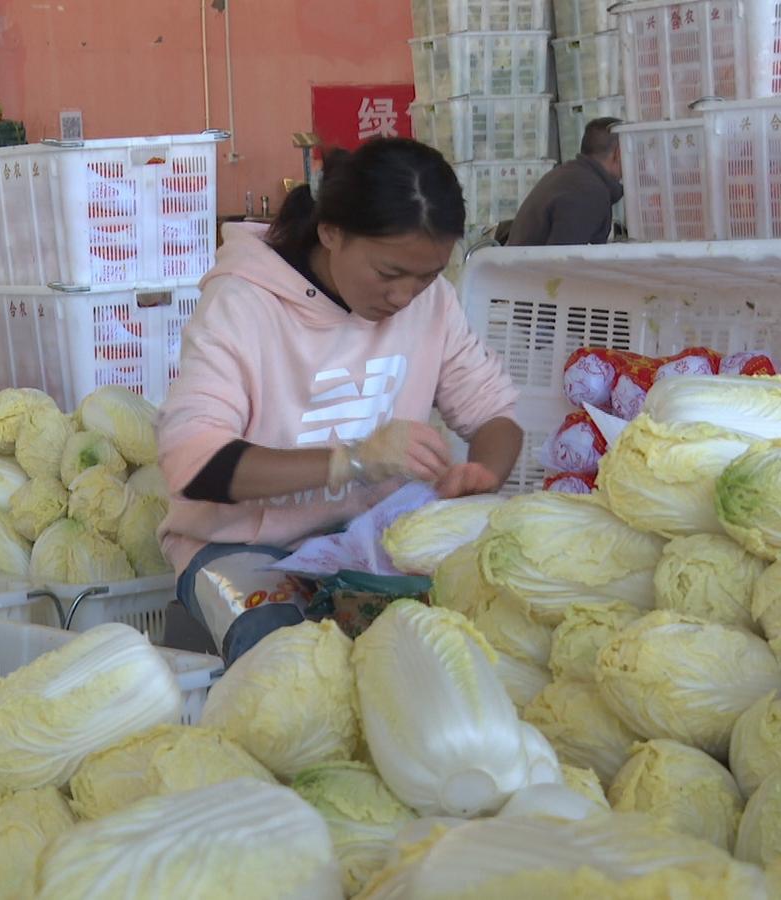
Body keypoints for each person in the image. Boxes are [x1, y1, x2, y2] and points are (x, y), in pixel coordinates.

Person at [157, 138, 523, 663]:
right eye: (389, 274)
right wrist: (351, 461)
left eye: (426, 276)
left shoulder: (432, 304)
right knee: (294, 664)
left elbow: (494, 414)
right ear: (332, 233)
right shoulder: (243, 304)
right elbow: (195, 464)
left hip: (379, 540)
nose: (404, 297)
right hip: (243, 550)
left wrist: (485, 471)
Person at [506, 117, 624, 247]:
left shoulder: (570, 176)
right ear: (618, 154)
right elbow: (563, 262)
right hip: (533, 267)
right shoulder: (588, 192)